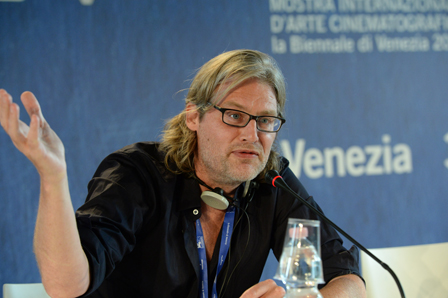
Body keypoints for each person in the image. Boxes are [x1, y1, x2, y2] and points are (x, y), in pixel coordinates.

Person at [0, 49, 366, 298]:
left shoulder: (271, 181)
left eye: (266, 121)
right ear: (194, 116)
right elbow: (66, 285)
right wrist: (53, 178)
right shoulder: (137, 175)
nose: (252, 136)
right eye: (234, 115)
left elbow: (349, 281)